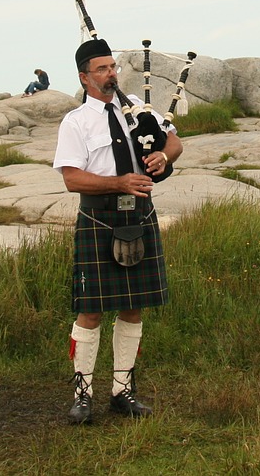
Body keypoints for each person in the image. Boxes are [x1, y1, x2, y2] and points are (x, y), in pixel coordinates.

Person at [52, 38, 183, 425]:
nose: (111, 74)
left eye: (113, 68)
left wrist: (164, 155)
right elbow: (73, 180)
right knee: (90, 311)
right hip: (99, 219)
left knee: (133, 306)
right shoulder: (76, 122)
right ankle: (82, 395)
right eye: (102, 69)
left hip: (139, 216)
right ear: (84, 77)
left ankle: (122, 392)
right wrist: (120, 183)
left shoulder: (139, 112)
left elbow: (173, 142)